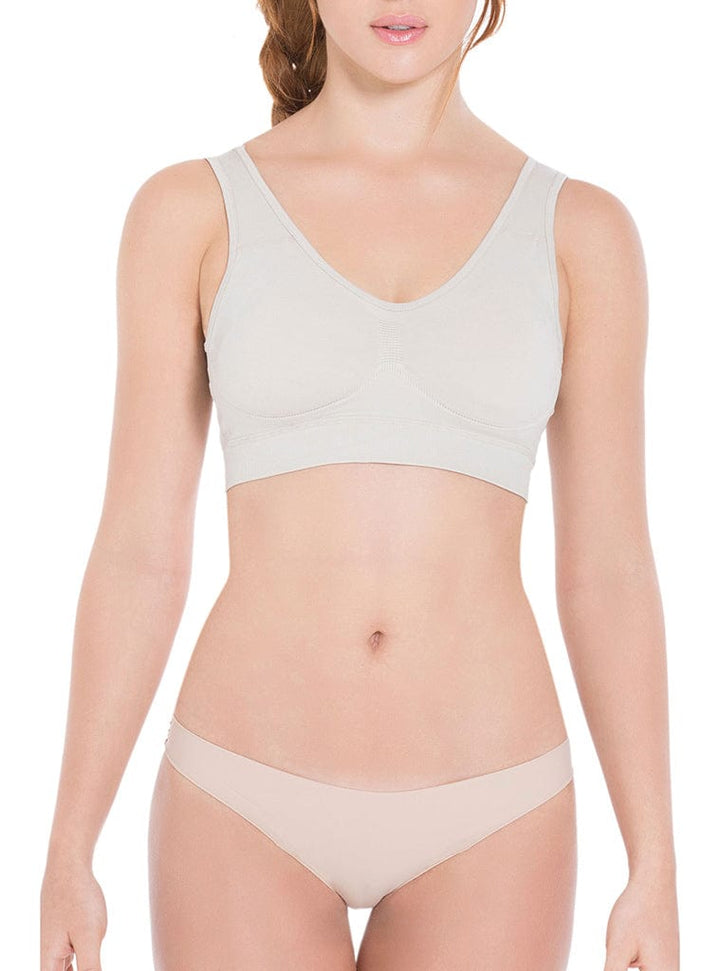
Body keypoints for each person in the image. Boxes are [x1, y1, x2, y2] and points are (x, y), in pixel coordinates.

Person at [40, 2, 680, 969]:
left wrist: (655, 864)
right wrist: (68, 846)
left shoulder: (582, 234)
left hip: (495, 809)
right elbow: (139, 554)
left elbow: (611, 571)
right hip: (239, 796)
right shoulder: (191, 213)